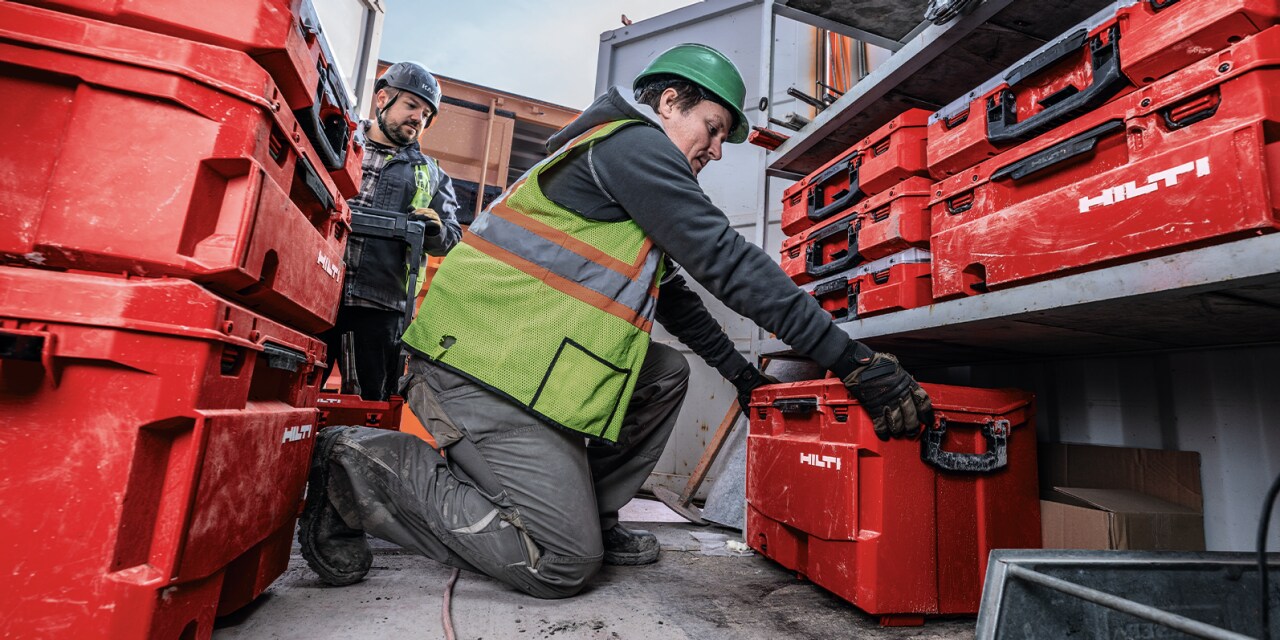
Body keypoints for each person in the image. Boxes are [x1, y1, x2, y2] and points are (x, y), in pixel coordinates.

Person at [299, 44, 933, 598]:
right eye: (712, 129)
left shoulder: (629, 170)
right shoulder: (633, 146)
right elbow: (727, 262)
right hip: (473, 370)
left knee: (664, 371)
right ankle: (357, 462)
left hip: (516, 358)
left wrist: (743, 376)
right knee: (561, 562)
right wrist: (853, 362)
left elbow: (679, 301)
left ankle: (593, 514)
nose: (716, 150)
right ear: (670, 102)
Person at [321, 61, 463, 401]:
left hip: (380, 304)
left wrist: (434, 230)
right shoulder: (341, 139)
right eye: (411, 105)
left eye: (426, 114)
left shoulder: (432, 173)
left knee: (371, 404)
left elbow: (451, 237)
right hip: (316, 284)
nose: (418, 118)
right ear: (383, 98)